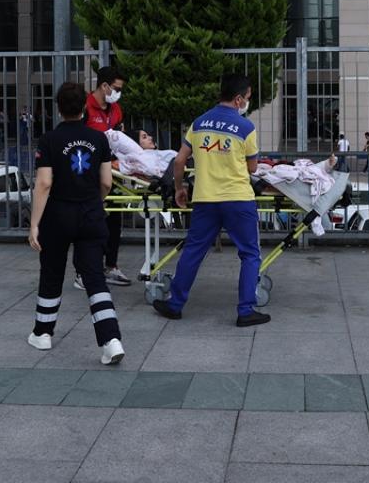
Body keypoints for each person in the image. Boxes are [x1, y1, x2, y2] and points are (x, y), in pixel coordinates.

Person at [152, 73, 271, 327]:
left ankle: (175, 304)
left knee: (194, 250)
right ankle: (245, 310)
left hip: (205, 199)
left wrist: (179, 188)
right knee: (250, 254)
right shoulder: (246, 128)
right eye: (248, 97)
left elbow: (180, 161)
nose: (247, 102)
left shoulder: (199, 123)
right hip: (238, 199)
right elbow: (252, 167)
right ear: (238, 99)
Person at [27, 82, 125, 364]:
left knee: (52, 272)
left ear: (58, 108)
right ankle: (110, 340)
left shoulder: (49, 140)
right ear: (84, 106)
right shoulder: (99, 139)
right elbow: (106, 182)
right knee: (94, 276)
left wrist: (34, 224)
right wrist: (95, 201)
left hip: (58, 214)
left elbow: (44, 183)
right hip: (91, 213)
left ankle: (43, 333)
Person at [75, 66, 132, 290]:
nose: (118, 93)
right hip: (89, 172)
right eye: (116, 88)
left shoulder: (116, 110)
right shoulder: (86, 107)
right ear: (104, 85)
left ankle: (111, 266)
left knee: (114, 221)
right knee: (88, 223)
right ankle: (83, 271)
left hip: (113, 171)